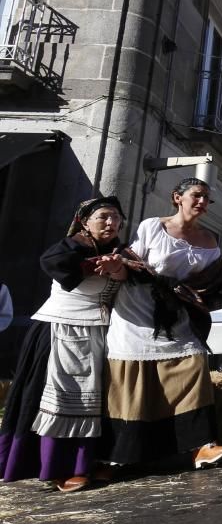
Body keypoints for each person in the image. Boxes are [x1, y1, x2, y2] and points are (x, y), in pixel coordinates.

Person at [101, 178, 222, 470]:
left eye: (207, 199)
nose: (202, 202)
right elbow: (132, 263)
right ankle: (119, 454)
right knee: (132, 380)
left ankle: (202, 447)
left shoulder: (209, 241)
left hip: (175, 315)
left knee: (194, 361)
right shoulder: (152, 227)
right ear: (177, 197)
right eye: (197, 195)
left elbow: (216, 281)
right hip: (137, 311)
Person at [0, 197, 127, 491]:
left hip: (100, 333)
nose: (111, 223)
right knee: (60, 395)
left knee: (95, 399)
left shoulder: (123, 252)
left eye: (116, 218)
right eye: (104, 217)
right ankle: (57, 465)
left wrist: (120, 267)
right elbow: (53, 263)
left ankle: (91, 462)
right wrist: (93, 265)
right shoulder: (70, 246)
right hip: (60, 330)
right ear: (84, 221)